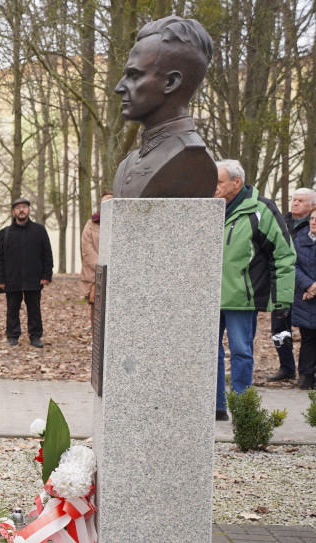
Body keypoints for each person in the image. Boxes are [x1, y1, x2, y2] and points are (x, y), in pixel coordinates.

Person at [214, 159, 295, 421]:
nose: (213, 187)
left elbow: (283, 255)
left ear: (237, 182)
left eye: (218, 182)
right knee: (208, 353)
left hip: (241, 298)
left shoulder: (261, 210)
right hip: (207, 299)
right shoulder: (206, 208)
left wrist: (282, 299)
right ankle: (215, 406)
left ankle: (242, 408)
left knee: (241, 351)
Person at [112, 16, 217, 199]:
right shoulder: (127, 164)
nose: (119, 88)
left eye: (134, 75)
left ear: (171, 82)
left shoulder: (191, 158)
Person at [266, 188, 316, 383]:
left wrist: (309, 286)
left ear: (312, 206)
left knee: (308, 333)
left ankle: (307, 373)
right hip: (282, 284)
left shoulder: (311, 227)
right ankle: (286, 367)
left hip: (305, 290)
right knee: (280, 329)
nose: (295, 203)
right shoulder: (281, 222)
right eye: (294, 199)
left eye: (301, 201)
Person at [0, 197, 53, 347]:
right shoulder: (5, 233)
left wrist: (47, 275)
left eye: (24, 207)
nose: (21, 210)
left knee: (34, 309)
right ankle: (12, 336)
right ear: (13, 211)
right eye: (18, 207)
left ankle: (35, 336)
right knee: (12, 309)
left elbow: (47, 254)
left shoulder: (39, 231)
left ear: (29, 210)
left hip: (34, 279)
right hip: (12, 279)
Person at [291, 204, 316, 390]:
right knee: (307, 337)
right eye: (312, 219)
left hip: (310, 294)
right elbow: (293, 264)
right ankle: (306, 378)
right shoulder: (300, 238)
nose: (314, 222)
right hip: (306, 297)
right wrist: (309, 285)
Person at [80, 190, 113, 331]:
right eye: (104, 203)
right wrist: (102, 267)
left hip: (115, 273)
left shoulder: (120, 223)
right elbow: (87, 249)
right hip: (95, 275)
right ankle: (96, 335)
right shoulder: (91, 224)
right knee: (96, 307)